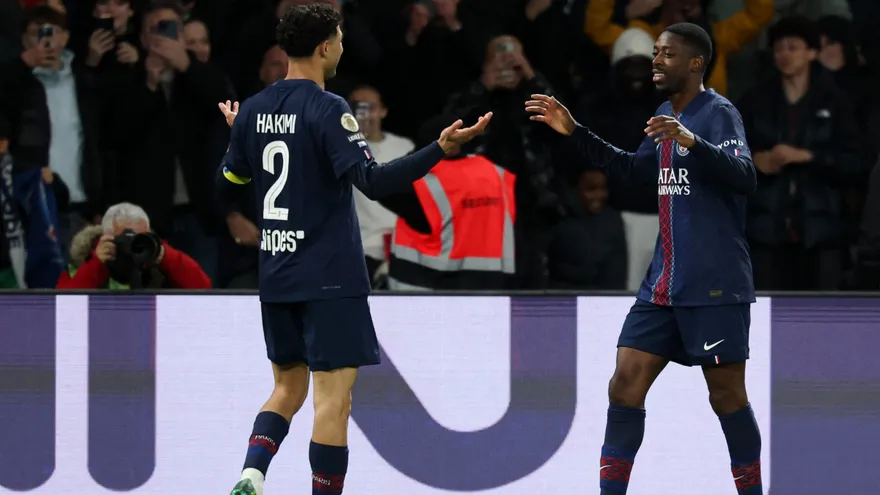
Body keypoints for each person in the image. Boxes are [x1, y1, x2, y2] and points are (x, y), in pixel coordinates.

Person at [214, 4, 491, 495]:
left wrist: (241, 134)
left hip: (276, 274)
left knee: (286, 388)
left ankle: (251, 472)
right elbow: (373, 180)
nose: (342, 47)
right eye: (339, 40)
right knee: (332, 400)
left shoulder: (253, 109)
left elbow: (228, 182)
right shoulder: (328, 107)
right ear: (325, 47)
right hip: (330, 278)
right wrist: (438, 151)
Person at [526, 23, 761, 495]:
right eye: (655, 52)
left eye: (667, 54)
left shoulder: (719, 114)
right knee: (625, 383)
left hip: (714, 284)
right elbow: (633, 171)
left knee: (727, 396)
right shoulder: (662, 113)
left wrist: (691, 141)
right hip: (664, 284)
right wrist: (575, 132)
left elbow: (746, 177)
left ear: (695, 63)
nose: (656, 60)